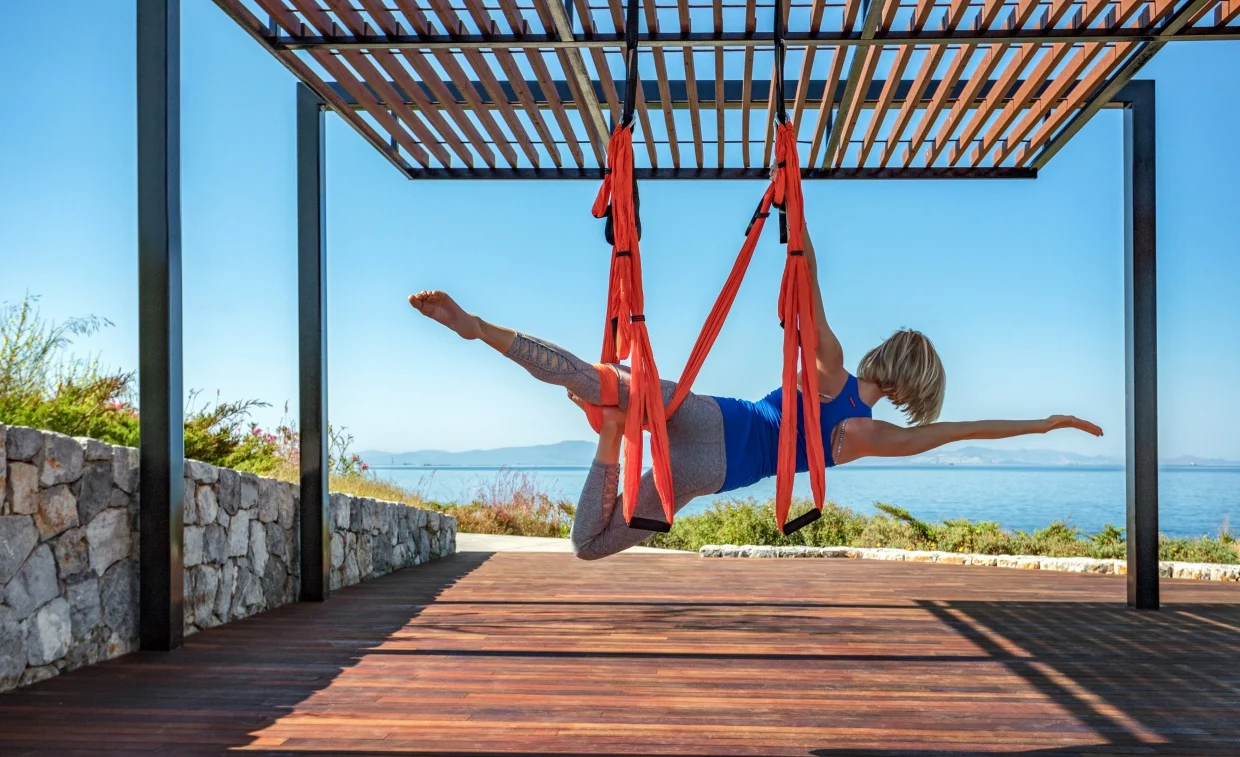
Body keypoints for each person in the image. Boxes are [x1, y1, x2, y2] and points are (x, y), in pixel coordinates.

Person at [409, 225, 1102, 561]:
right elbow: (962, 432)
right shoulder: (870, 435)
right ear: (912, 389)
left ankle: (480, 330)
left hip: (706, 412)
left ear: (885, 357)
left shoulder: (830, 368)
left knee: (596, 379)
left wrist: (798, 232)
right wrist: (1043, 426)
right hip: (714, 471)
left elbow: (810, 297)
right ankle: (610, 441)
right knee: (590, 547)